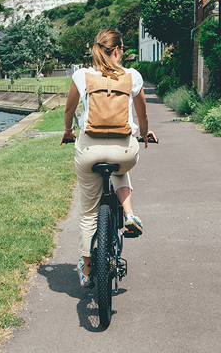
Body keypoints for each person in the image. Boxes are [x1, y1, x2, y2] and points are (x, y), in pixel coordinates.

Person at [60, 29, 158, 287]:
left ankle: (86, 266)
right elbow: (143, 114)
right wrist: (146, 134)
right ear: (117, 50)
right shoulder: (133, 76)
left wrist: (69, 130)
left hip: (89, 151)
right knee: (120, 166)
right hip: (123, 152)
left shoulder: (81, 75)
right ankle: (129, 214)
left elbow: (69, 109)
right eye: (122, 49)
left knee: (89, 212)